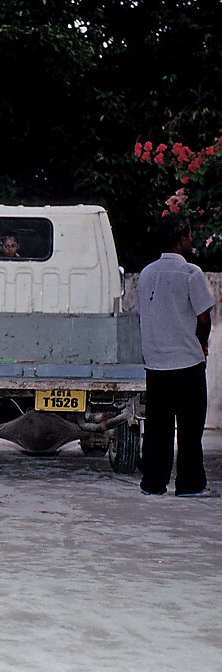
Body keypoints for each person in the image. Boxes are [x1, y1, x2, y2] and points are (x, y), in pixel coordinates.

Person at [137, 212, 218, 498]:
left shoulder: (146, 273)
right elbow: (204, 318)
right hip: (186, 362)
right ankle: (190, 484)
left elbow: (143, 316)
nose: (191, 241)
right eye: (188, 236)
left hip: (156, 363)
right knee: (189, 429)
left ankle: (153, 483)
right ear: (181, 239)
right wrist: (202, 345)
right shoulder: (191, 273)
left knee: (158, 427)